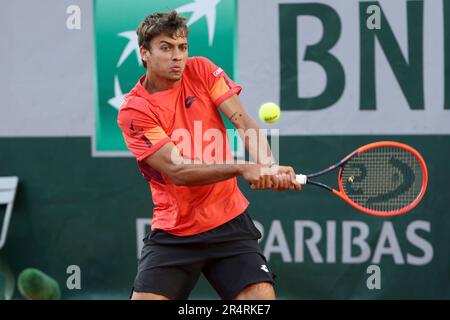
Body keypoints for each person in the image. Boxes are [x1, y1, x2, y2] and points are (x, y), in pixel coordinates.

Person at [117, 11, 301, 300]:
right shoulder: (134, 111)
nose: (177, 56)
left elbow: (242, 120)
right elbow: (178, 170)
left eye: (182, 47)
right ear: (145, 54)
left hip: (228, 221)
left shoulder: (201, 70)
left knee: (259, 301)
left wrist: (268, 165)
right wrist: (243, 168)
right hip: (175, 231)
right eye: (166, 48)